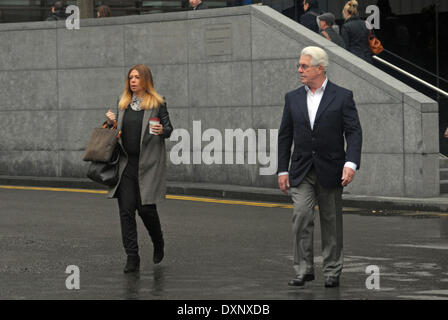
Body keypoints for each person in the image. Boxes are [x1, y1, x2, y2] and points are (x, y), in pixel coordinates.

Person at [277, 46, 362, 288]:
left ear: (320, 68)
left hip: (332, 168)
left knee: (331, 220)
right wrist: (282, 169)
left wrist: (351, 163)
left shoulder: (343, 96)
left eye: (304, 66)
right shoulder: (292, 97)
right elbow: (285, 135)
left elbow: (354, 132)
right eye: (299, 65)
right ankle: (303, 269)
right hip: (301, 169)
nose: (299, 70)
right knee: (301, 215)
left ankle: (332, 269)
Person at [105, 64, 173, 273]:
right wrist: (110, 123)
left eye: (137, 77)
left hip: (147, 165)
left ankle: (158, 240)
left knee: (145, 209)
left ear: (145, 80)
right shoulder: (123, 103)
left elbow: (169, 128)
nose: (133, 81)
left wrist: (162, 130)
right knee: (126, 211)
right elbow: (114, 132)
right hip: (126, 164)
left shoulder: (157, 103)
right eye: (130, 77)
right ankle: (132, 257)